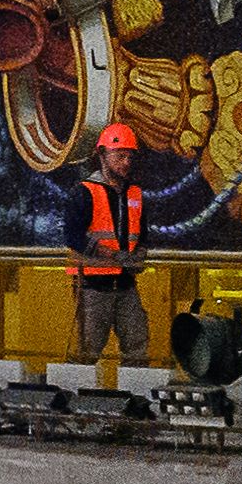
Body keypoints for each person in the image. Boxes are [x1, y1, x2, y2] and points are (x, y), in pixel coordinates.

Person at [63, 122, 157, 384]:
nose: (126, 162)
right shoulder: (84, 191)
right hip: (92, 284)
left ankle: (136, 402)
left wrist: (139, 254)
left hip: (125, 282)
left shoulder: (135, 192)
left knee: (137, 344)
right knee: (88, 348)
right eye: (120, 156)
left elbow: (143, 234)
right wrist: (113, 256)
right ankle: (77, 402)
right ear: (102, 155)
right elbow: (73, 237)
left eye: (130, 156)